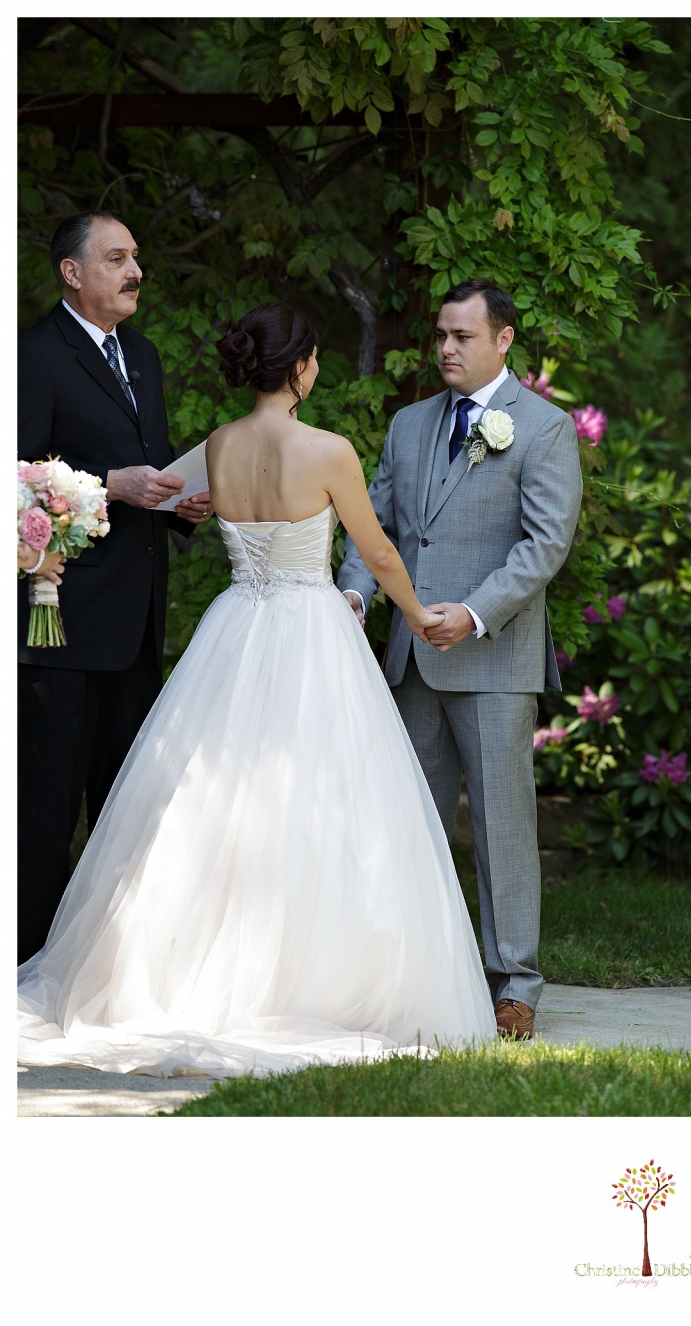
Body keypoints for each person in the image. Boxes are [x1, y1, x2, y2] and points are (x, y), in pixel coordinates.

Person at [18, 301, 497, 1079]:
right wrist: (419, 615)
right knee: (323, 801)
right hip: (312, 631)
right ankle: (311, 976)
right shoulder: (329, 449)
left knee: (208, 802)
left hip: (236, 628)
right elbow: (374, 551)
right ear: (302, 367)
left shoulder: (219, 445)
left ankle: (188, 971)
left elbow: (173, 497)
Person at [338, 279, 582, 1039]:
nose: (445, 348)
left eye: (462, 337)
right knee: (408, 823)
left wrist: (473, 613)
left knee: (505, 829)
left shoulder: (542, 429)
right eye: (440, 336)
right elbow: (371, 520)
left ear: (503, 340)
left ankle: (516, 983)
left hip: (493, 658)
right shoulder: (410, 424)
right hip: (411, 660)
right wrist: (352, 594)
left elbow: (545, 545)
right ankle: (414, 973)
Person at [17, 211, 211, 965]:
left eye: (137, 257)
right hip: (58, 620)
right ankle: (27, 962)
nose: (136, 271)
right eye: (117, 258)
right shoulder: (33, 356)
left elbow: (148, 464)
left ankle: (104, 966)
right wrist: (108, 486)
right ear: (73, 272)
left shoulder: (145, 354)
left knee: (125, 805)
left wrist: (178, 503)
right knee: (45, 804)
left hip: (136, 618)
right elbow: (16, 484)